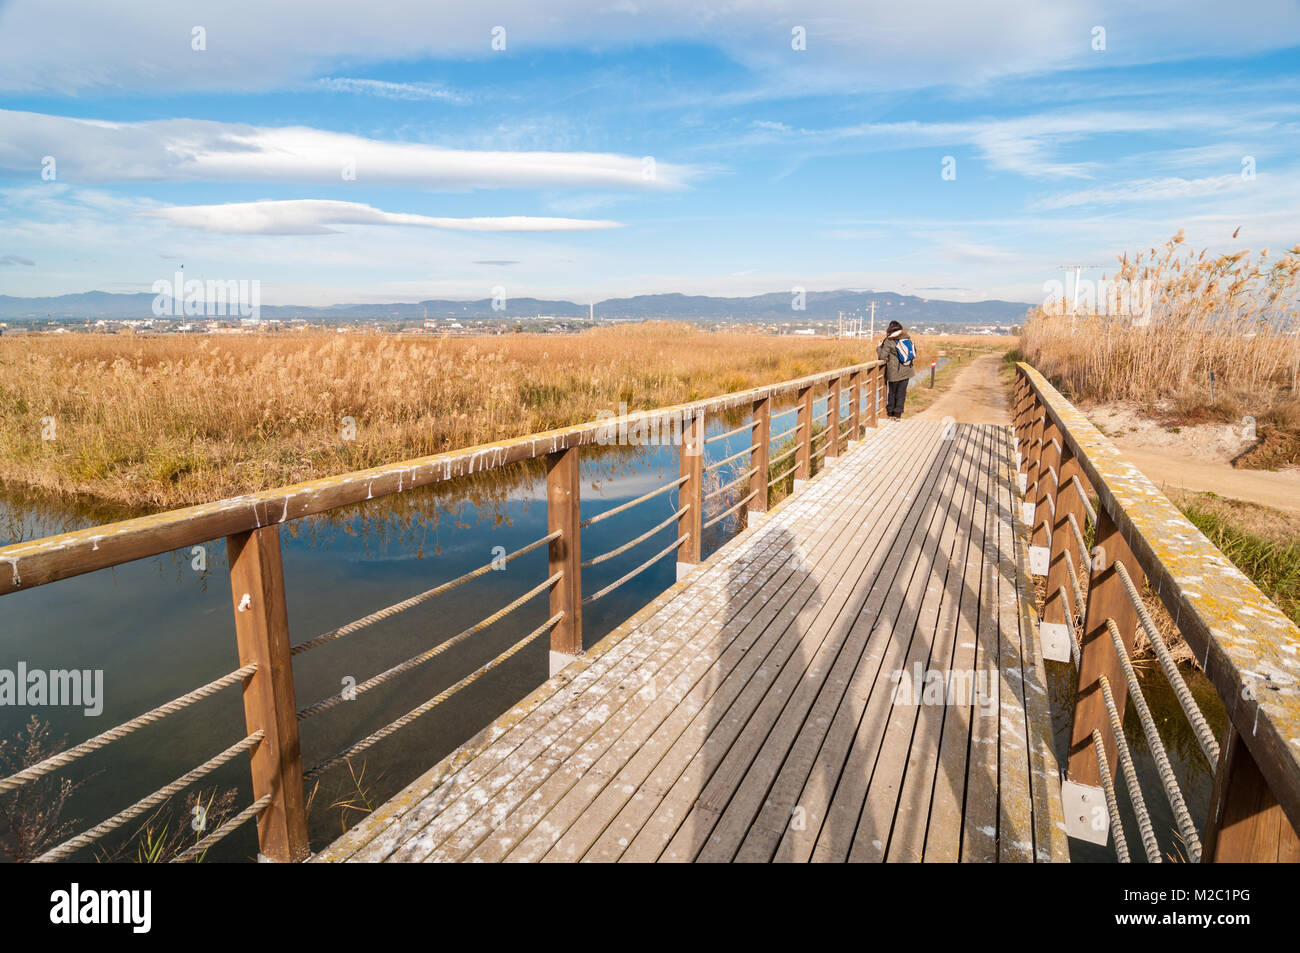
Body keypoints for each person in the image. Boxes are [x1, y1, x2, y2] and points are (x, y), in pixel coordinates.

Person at [876, 320, 916, 420]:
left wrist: (879, 347)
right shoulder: (906, 337)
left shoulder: (889, 341)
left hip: (894, 372)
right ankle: (897, 415)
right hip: (907, 370)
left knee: (892, 393)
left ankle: (890, 414)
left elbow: (882, 356)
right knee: (901, 393)